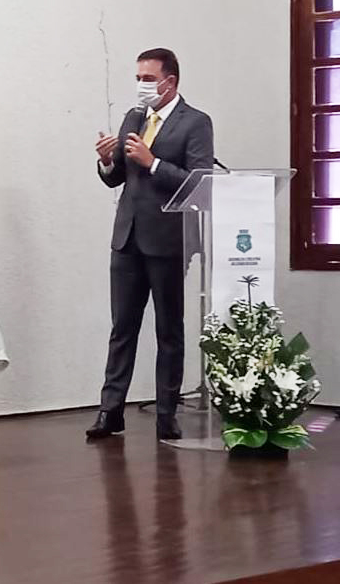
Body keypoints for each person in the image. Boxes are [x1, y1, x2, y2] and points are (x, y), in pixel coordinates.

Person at [86, 48, 215, 441]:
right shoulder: (134, 117)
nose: (141, 86)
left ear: (169, 82)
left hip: (168, 240)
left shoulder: (195, 122)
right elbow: (116, 178)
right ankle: (110, 411)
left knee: (168, 330)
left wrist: (153, 162)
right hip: (127, 237)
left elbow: (200, 182)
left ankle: (166, 413)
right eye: (138, 78)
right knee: (122, 328)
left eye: (148, 79)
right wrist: (107, 161)